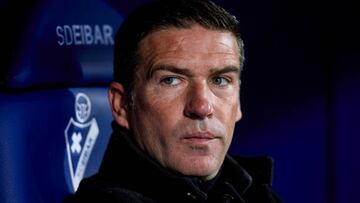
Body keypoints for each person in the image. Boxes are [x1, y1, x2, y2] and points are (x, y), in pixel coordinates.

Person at [64, 0, 282, 202]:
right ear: (121, 105)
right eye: (171, 80)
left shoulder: (255, 192)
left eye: (220, 80)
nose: (202, 107)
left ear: (238, 102)